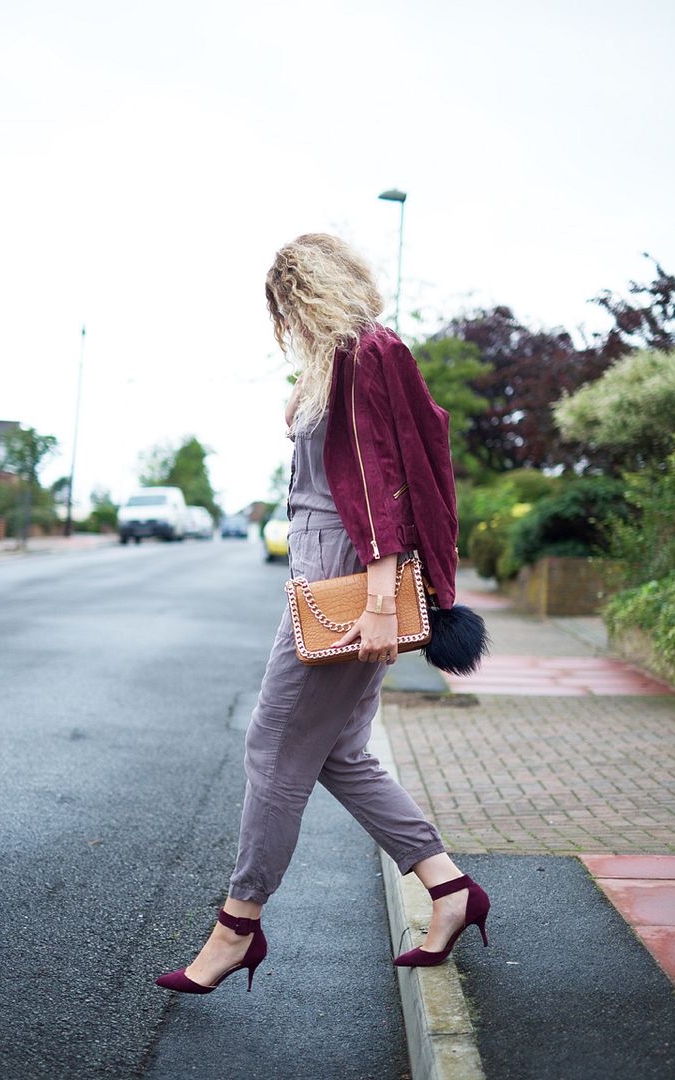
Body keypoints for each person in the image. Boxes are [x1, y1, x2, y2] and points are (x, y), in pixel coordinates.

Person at [155, 234, 491, 996]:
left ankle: (237, 927)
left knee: (272, 746)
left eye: (286, 307)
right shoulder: (340, 361)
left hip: (352, 583)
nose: (286, 323)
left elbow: (382, 479)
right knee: (341, 752)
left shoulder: (364, 353)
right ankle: (449, 891)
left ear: (303, 294)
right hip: (328, 575)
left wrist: (377, 601)